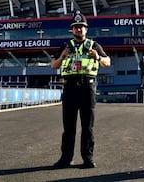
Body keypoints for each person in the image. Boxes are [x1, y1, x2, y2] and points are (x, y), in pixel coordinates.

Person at [51, 10, 111, 169]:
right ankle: (66, 159)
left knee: (88, 127)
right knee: (68, 127)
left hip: (87, 87)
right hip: (70, 87)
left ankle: (88, 158)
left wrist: (98, 57)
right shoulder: (65, 46)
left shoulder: (94, 45)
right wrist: (62, 56)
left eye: (81, 27)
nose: (79, 29)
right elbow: (53, 65)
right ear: (72, 29)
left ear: (86, 29)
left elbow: (108, 62)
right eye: (76, 27)